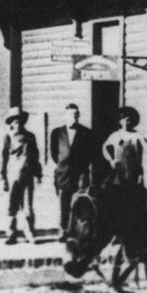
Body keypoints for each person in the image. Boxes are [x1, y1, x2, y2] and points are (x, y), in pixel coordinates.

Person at [103, 106, 147, 210]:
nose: (126, 122)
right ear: (120, 121)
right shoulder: (115, 135)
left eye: (129, 120)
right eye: (124, 119)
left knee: (133, 196)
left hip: (133, 172)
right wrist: (111, 160)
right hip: (119, 172)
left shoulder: (138, 136)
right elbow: (105, 148)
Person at [49, 103, 99, 240]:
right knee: (63, 204)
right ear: (65, 116)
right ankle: (63, 230)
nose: (74, 117)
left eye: (76, 115)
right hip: (63, 174)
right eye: (71, 115)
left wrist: (83, 169)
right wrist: (63, 164)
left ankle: (78, 231)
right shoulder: (56, 133)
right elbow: (54, 154)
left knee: (80, 203)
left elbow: (91, 154)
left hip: (80, 173)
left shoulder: (86, 133)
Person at [0, 106, 41, 245]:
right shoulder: (7, 137)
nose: (18, 123)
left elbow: (35, 156)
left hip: (27, 175)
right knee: (11, 205)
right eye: (15, 121)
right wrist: (2, 178)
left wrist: (38, 173)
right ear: (11, 122)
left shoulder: (30, 137)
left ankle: (29, 233)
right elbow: (3, 158)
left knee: (27, 206)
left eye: (20, 121)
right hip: (12, 176)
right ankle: (11, 234)